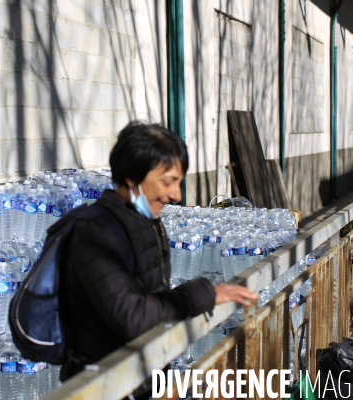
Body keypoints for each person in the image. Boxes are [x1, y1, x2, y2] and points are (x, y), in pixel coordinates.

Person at [59, 122, 258, 398]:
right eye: (167, 182)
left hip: (141, 380)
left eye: (178, 182)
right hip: (104, 386)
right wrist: (203, 294)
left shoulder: (147, 223)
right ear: (132, 178)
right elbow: (132, 316)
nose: (177, 195)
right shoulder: (95, 233)